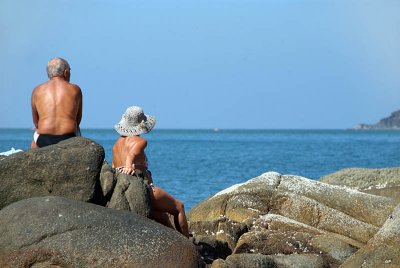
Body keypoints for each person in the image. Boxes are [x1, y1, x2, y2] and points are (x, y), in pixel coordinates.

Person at [112, 106, 189, 238]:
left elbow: (114, 166)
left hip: (124, 187)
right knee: (179, 207)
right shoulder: (140, 141)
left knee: (163, 218)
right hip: (146, 188)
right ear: (141, 124)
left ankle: (178, 243)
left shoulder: (117, 144)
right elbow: (133, 152)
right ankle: (189, 245)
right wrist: (129, 165)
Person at [31, 57, 82, 148]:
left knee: (34, 140)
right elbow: (78, 119)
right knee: (78, 130)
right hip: (69, 137)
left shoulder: (37, 90)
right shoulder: (75, 89)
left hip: (43, 139)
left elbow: (36, 122)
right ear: (65, 72)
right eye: (70, 70)